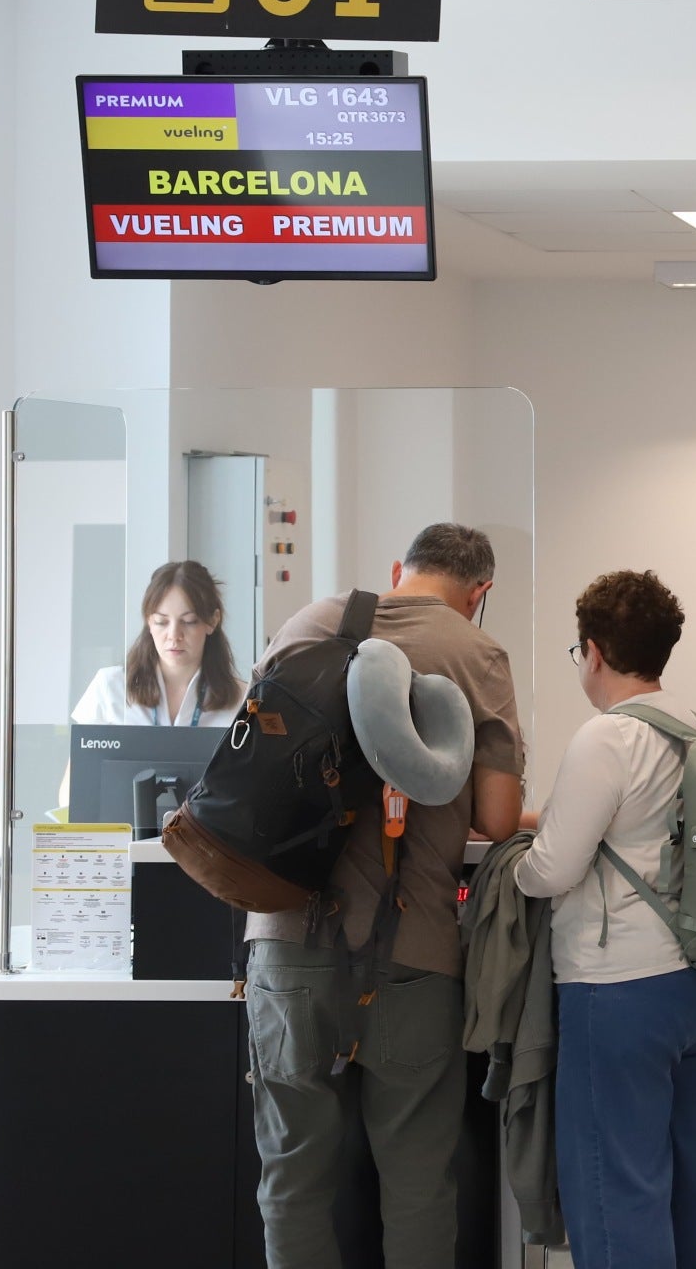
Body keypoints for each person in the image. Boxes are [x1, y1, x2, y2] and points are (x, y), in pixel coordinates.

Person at [241, 523, 525, 1269]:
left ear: (399, 569)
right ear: (479, 594)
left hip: (285, 939)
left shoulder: (305, 624)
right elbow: (496, 819)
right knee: (417, 1180)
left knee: (292, 1178)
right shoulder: (474, 653)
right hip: (412, 949)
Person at [514, 570, 696, 1269]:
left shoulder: (604, 739)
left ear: (595, 651)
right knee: (691, 1180)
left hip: (619, 992)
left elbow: (553, 869)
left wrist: (514, 864)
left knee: (616, 1190)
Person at [70, 559, 244, 727]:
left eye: (189, 621)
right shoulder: (111, 687)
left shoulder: (242, 699)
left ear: (212, 621)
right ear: (149, 623)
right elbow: (79, 757)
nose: (174, 635)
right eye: (161, 622)